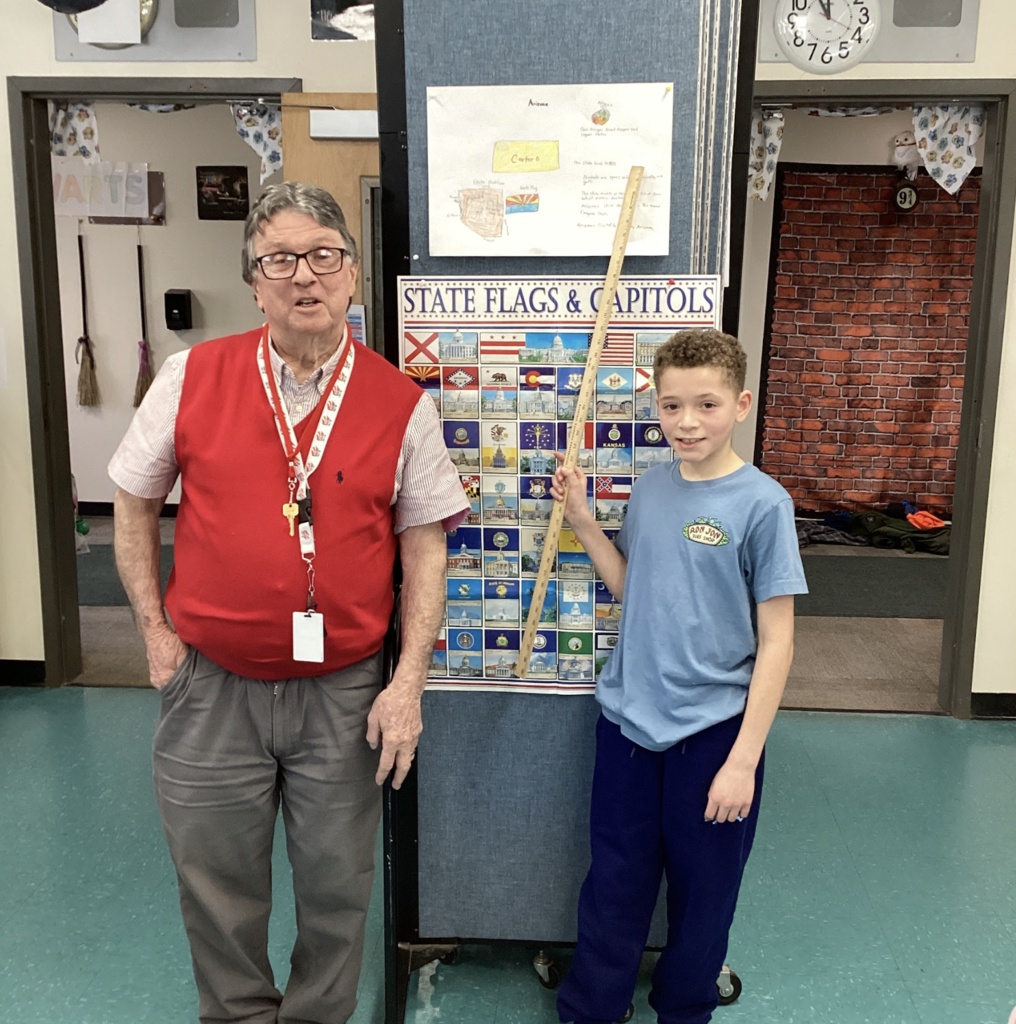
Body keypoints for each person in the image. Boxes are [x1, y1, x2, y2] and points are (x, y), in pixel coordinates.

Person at [109, 181, 468, 1024]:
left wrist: (406, 684)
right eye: (279, 260)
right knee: (215, 883)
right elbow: (132, 498)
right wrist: (155, 635)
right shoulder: (189, 375)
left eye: (324, 257)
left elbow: (425, 545)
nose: (304, 276)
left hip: (344, 690)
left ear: (352, 276)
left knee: (337, 889)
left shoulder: (401, 402)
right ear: (254, 280)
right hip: (211, 687)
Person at [551, 329, 808, 1024]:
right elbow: (637, 587)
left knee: (705, 894)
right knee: (615, 882)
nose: (687, 422)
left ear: (742, 404)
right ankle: (594, 1008)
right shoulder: (653, 488)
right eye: (671, 406)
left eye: (706, 405)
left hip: (714, 739)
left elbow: (777, 641)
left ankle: (685, 1009)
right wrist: (582, 522)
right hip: (630, 725)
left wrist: (743, 761)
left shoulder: (764, 505)